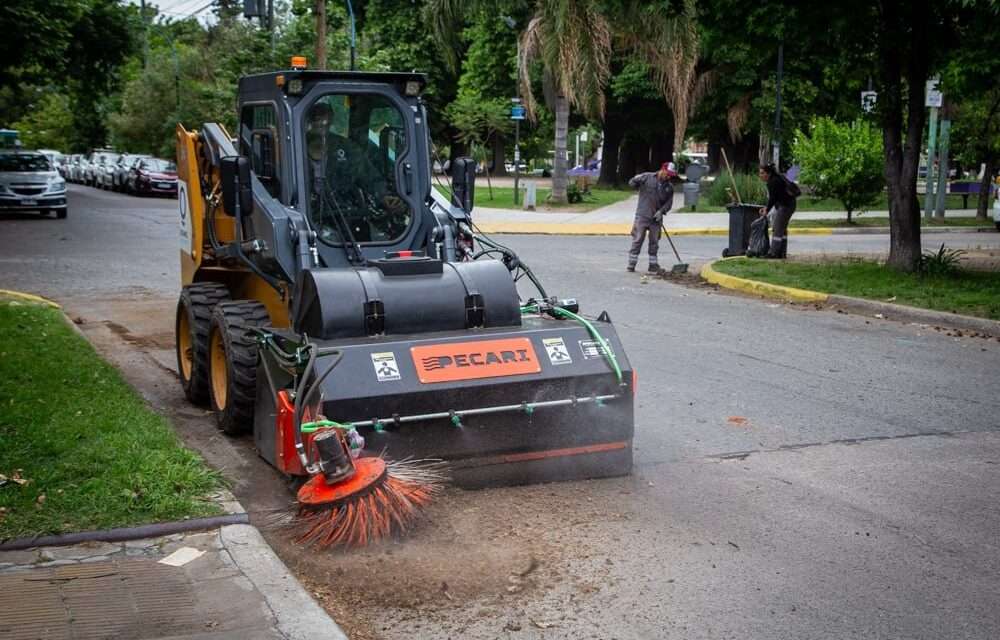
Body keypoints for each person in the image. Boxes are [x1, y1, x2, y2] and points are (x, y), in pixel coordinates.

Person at [627, 162, 676, 272]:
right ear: (662, 170)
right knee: (638, 239)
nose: (668, 177)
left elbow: (669, 203)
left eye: (671, 175)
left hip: (656, 219)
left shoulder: (669, 187)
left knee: (654, 242)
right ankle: (631, 264)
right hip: (642, 215)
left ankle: (653, 265)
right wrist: (635, 179)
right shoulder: (647, 177)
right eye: (667, 174)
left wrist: (661, 211)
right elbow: (631, 183)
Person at [758, 163, 798, 259]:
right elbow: (774, 198)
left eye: (762, 173)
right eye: (760, 173)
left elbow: (773, 198)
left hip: (786, 206)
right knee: (782, 229)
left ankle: (773, 253)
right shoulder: (775, 179)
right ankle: (781, 253)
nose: (760, 175)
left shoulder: (773, 182)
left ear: (768, 173)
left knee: (777, 228)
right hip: (787, 204)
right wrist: (767, 208)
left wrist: (766, 209)